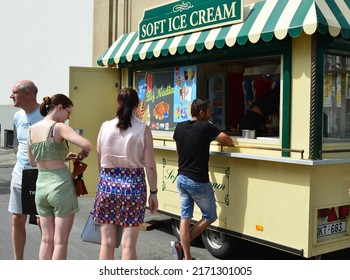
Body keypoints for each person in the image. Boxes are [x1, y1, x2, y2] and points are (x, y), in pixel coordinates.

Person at [92, 87, 158, 260]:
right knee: (128, 245)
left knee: (106, 243)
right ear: (137, 105)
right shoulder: (143, 129)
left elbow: (99, 160)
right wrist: (153, 193)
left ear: (117, 103)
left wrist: (104, 183)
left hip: (107, 184)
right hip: (134, 187)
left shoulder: (105, 127)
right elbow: (150, 165)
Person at [27, 93, 92, 260]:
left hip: (41, 186)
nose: (68, 118)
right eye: (68, 113)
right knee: (60, 242)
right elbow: (87, 144)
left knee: (46, 239)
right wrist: (83, 152)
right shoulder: (58, 127)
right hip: (60, 187)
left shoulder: (31, 130)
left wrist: (61, 156)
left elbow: (34, 162)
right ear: (60, 108)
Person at [172, 98, 233, 260]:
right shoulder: (206, 127)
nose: (210, 113)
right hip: (198, 181)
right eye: (208, 110)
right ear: (201, 112)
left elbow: (180, 152)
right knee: (210, 216)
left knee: (185, 217)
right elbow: (228, 141)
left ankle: (186, 256)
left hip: (182, 178)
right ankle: (181, 246)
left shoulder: (179, 127)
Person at [8, 80, 43, 260]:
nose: (11, 96)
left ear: (27, 93)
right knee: (17, 219)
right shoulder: (17, 116)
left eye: (14, 92)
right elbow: (19, 144)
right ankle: (18, 263)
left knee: (42, 221)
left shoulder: (45, 114)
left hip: (42, 175)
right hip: (19, 173)